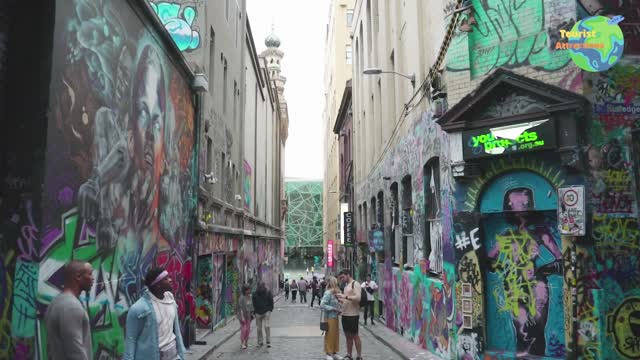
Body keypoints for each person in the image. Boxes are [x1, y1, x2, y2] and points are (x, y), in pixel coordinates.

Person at [124, 268, 186, 360]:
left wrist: (181, 354)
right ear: (157, 285)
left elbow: (176, 329)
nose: (170, 279)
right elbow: (131, 339)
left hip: (174, 355)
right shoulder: (138, 309)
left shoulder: (170, 298)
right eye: (166, 278)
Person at [45, 261, 95, 360]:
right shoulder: (71, 307)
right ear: (78, 277)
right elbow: (75, 352)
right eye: (89, 274)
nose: (93, 278)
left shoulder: (56, 302)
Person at [337, 269, 362, 360]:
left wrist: (345, 296)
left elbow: (358, 298)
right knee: (347, 336)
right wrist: (340, 299)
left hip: (353, 315)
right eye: (341, 278)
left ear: (348, 275)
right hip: (345, 314)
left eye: (343, 277)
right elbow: (346, 301)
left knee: (355, 335)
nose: (342, 279)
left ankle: (359, 356)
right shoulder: (346, 286)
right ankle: (349, 354)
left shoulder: (355, 284)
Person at [321, 277, 343, 360]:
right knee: (329, 335)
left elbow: (337, 304)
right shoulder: (328, 293)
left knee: (335, 335)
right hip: (329, 318)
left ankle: (334, 352)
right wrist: (332, 309)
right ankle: (328, 353)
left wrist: (339, 309)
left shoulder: (336, 293)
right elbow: (322, 305)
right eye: (336, 282)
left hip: (335, 317)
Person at [252, 282, 274, 348]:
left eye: (262, 286)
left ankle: (268, 341)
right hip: (258, 313)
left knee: (266, 326)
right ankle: (260, 342)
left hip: (266, 312)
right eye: (260, 286)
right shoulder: (255, 294)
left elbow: (271, 301)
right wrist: (255, 312)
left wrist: (270, 310)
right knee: (259, 328)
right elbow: (253, 303)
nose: (261, 287)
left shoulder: (268, 292)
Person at [238, 285, 254, 349]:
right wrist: (242, 317)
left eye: (249, 289)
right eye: (247, 290)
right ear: (245, 290)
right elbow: (240, 308)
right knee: (244, 330)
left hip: (249, 316)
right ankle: (242, 343)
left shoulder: (249, 297)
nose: (249, 291)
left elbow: (251, 306)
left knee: (248, 330)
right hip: (243, 316)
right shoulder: (241, 298)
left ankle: (246, 343)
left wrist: (252, 313)